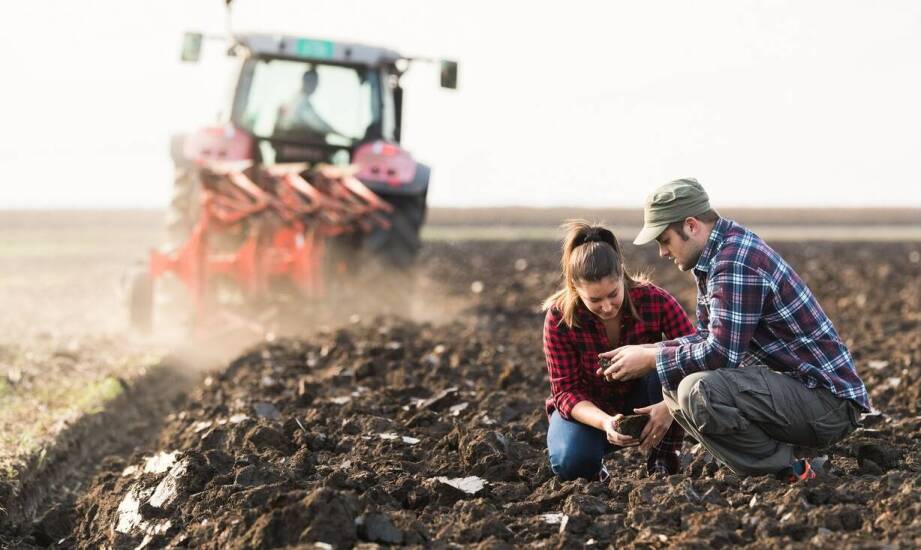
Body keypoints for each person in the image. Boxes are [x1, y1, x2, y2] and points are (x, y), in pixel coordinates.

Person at [599, 178, 869, 482]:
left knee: (697, 390)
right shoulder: (716, 255)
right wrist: (649, 350)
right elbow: (707, 337)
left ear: (691, 226)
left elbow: (720, 354)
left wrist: (651, 359)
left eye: (665, 240)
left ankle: (792, 471)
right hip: (800, 393)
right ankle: (790, 462)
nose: (662, 252)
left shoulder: (734, 261)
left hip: (827, 403)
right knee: (675, 381)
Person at [543, 220, 695, 480]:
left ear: (622, 274)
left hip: (647, 399)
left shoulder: (654, 300)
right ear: (575, 287)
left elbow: (695, 352)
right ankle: (594, 472)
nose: (606, 307)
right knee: (570, 461)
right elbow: (565, 391)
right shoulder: (559, 318)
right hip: (591, 409)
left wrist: (670, 407)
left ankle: (663, 460)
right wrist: (605, 422)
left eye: (613, 294)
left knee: (666, 359)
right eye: (595, 300)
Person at [275, 68, 339, 142]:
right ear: (304, 81)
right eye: (313, 82)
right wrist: (339, 134)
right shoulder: (300, 102)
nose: (315, 86)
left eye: (316, 83)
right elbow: (318, 123)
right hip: (296, 142)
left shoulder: (292, 100)